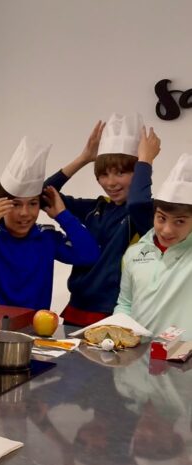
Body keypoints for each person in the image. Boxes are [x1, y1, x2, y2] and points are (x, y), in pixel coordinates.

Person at [43, 115, 158, 326]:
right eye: (103, 174)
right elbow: (43, 195)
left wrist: (145, 161)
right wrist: (84, 158)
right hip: (77, 307)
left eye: (121, 173)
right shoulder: (96, 207)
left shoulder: (144, 213)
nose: (110, 182)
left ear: (137, 172)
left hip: (116, 311)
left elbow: (138, 202)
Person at [0, 137, 99, 310]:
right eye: (16, 204)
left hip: (37, 328)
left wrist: (63, 215)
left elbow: (89, 255)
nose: (25, 213)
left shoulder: (46, 237)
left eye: (33, 204)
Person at [115, 153, 192, 340]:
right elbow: (125, 303)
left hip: (184, 361)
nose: (166, 230)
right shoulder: (134, 253)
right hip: (137, 356)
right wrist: (117, 329)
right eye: (161, 218)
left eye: (180, 222)